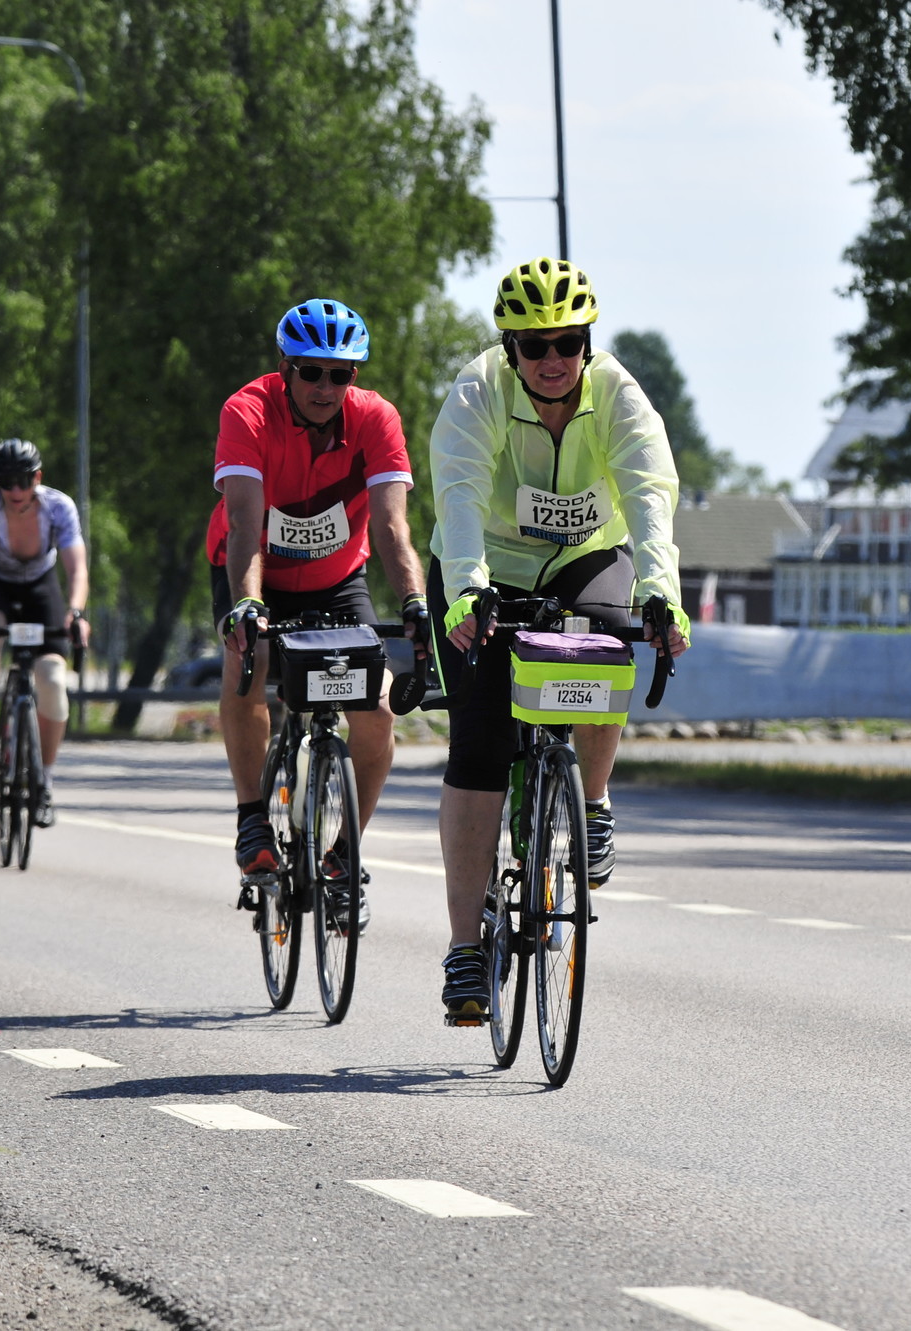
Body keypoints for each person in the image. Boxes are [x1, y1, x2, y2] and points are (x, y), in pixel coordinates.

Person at [427, 257, 691, 1021]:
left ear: (587, 343)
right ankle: (465, 949)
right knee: (478, 747)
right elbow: (460, 493)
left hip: (586, 557)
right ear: (509, 349)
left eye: (568, 342)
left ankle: (593, 800)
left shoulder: (618, 395)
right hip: (486, 567)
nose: (553, 359)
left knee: (606, 652)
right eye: (534, 345)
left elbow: (650, 495)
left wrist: (662, 593)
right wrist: (466, 590)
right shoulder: (478, 392)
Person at [209, 299, 429, 932]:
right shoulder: (247, 411)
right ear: (286, 368)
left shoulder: (376, 418)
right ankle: (253, 817)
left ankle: (344, 856)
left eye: (340, 374)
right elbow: (245, 523)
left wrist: (413, 603)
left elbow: (392, 528)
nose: (325, 387)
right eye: (311, 372)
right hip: (253, 572)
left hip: (336, 581)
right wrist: (248, 605)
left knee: (378, 710)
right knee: (247, 660)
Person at [0, 439, 89, 828]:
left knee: (52, 680)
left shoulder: (59, 506)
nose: (16, 491)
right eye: (6, 482)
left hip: (39, 585)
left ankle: (44, 781)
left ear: (38, 478)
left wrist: (75, 613)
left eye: (24, 481)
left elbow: (76, 569)